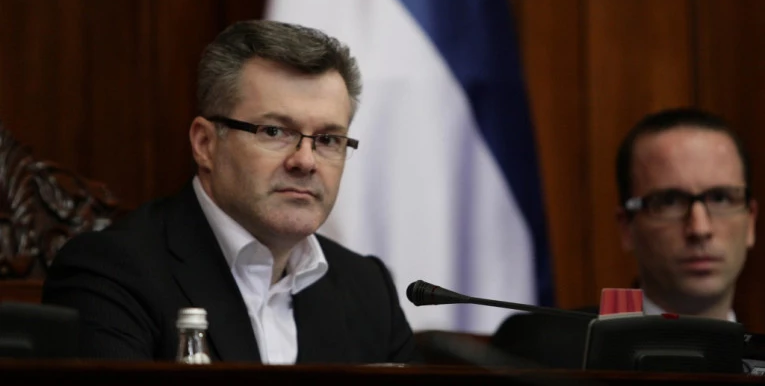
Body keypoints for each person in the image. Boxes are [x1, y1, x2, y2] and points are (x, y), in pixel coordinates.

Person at [42, 20, 418, 363]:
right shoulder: (112, 273)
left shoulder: (369, 289)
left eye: (328, 139)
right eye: (274, 131)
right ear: (205, 144)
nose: (305, 161)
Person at [490, 107, 757, 368]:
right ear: (626, 226)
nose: (700, 229)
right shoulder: (542, 351)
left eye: (721, 198)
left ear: (751, 221)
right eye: (669, 201)